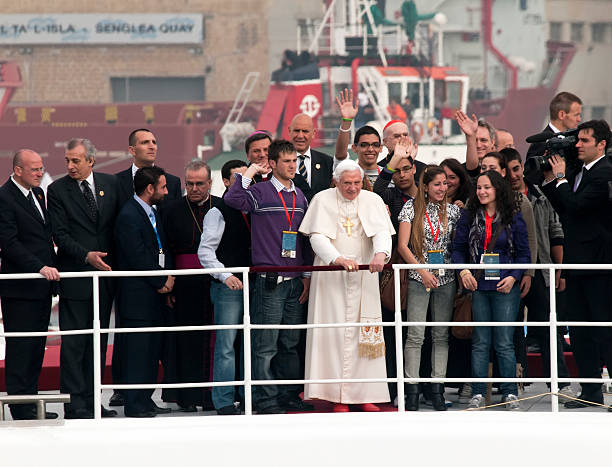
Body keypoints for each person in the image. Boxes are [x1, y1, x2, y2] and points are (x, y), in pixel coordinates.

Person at [224, 139, 313, 415]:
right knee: (265, 344)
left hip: (295, 279)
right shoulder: (259, 191)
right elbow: (232, 199)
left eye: (295, 161)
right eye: (286, 161)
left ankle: (288, 394)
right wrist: (249, 172)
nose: (292, 166)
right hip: (269, 281)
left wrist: (307, 276)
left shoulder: (301, 196)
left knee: (289, 343)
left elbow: (306, 241)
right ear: (272, 164)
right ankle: (265, 399)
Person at [299, 159, 395, 412]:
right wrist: (336, 258)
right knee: (334, 333)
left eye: (357, 183)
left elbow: (382, 233)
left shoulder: (372, 200)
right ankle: (336, 396)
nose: (353, 188)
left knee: (365, 337)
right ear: (336, 181)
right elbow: (317, 236)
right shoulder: (322, 199)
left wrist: (381, 254)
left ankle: (364, 394)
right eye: (347, 183)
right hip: (332, 276)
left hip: (364, 275)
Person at [540, 119, 612, 409]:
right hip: (578, 263)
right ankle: (590, 391)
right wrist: (551, 180)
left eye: (584, 140)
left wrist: (560, 178)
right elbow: (566, 209)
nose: (577, 145)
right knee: (580, 330)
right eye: (577, 140)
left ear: (602, 144)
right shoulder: (580, 173)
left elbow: (579, 206)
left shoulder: (605, 172)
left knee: (604, 329)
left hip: (599, 266)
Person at [47, 138, 119, 419]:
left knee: (98, 343)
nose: (70, 165)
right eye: (67, 160)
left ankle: (93, 400)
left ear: (91, 160)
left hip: (104, 280)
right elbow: (60, 235)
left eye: (75, 160)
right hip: (76, 279)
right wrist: (86, 256)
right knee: (75, 344)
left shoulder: (110, 184)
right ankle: (75, 403)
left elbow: (116, 227)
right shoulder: (57, 190)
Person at [110, 128, 182, 407]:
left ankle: (144, 398)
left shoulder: (149, 211)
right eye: (163, 187)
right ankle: (136, 402)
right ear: (150, 189)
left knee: (151, 348)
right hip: (139, 294)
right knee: (139, 350)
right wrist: (161, 280)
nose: (168, 191)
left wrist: (166, 279)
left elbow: (161, 248)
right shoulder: (129, 215)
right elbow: (137, 255)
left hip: (153, 293)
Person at [452, 170, 531, 411]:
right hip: (477, 285)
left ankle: (508, 393)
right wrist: (463, 272)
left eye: (487, 187)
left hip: (505, 286)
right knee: (480, 341)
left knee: (504, 342)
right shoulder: (469, 215)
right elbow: (457, 249)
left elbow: (524, 254)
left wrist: (514, 278)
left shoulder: (513, 216)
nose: (482, 192)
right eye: (479, 188)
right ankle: (477, 393)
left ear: (498, 189)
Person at [500, 147, 573, 397]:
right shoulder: (497, 200)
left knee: (548, 329)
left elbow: (556, 233)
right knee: (512, 330)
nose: (513, 175)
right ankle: (518, 383)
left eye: (516, 168)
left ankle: (559, 383)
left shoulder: (541, 194)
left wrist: (559, 272)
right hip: (510, 274)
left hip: (542, 271)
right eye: (507, 171)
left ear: (522, 166)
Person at [0, 149, 60, 421]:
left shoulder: (38, 194)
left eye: (41, 168)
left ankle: (31, 402)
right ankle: (20, 407)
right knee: (21, 349)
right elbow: (9, 243)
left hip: (41, 289)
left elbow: (44, 237)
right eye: (34, 169)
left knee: (36, 348)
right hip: (21, 290)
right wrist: (39, 267)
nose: (40, 173)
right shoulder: (4, 198)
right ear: (17, 170)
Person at [397, 166, 461, 411]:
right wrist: (422, 271)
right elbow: (403, 246)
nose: (442, 188)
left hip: (446, 278)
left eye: (445, 184)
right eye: (437, 184)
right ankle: (411, 391)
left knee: (441, 335)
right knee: (415, 335)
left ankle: (437, 390)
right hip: (417, 276)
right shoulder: (411, 208)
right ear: (425, 186)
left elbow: (459, 243)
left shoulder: (454, 210)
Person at [161, 159, 221, 412]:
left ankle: (210, 395)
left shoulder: (221, 206)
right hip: (183, 284)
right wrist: (169, 283)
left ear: (210, 182)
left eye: (199, 183)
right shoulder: (171, 209)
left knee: (215, 340)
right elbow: (166, 248)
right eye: (190, 184)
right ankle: (186, 395)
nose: (194, 188)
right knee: (186, 339)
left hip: (215, 281)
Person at [198, 160, 250, 415]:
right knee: (227, 345)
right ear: (227, 182)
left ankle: (248, 395)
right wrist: (225, 275)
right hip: (228, 287)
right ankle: (224, 400)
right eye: (238, 178)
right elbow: (205, 251)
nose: (244, 182)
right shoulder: (217, 211)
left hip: (255, 284)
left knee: (251, 343)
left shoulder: (254, 207)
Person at [288, 113, 334, 201]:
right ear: (289, 131)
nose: (300, 136)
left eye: (305, 131)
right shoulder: (279, 162)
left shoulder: (327, 162)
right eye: (296, 131)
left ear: (313, 133)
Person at [525, 92, 582, 162]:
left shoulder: (577, 140)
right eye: (576, 115)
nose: (579, 119)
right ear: (561, 115)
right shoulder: (540, 144)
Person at [455, 111, 496, 178]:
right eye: (474, 140)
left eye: (483, 140)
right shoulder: (460, 173)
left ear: (492, 142)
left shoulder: (502, 166)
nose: (478, 145)